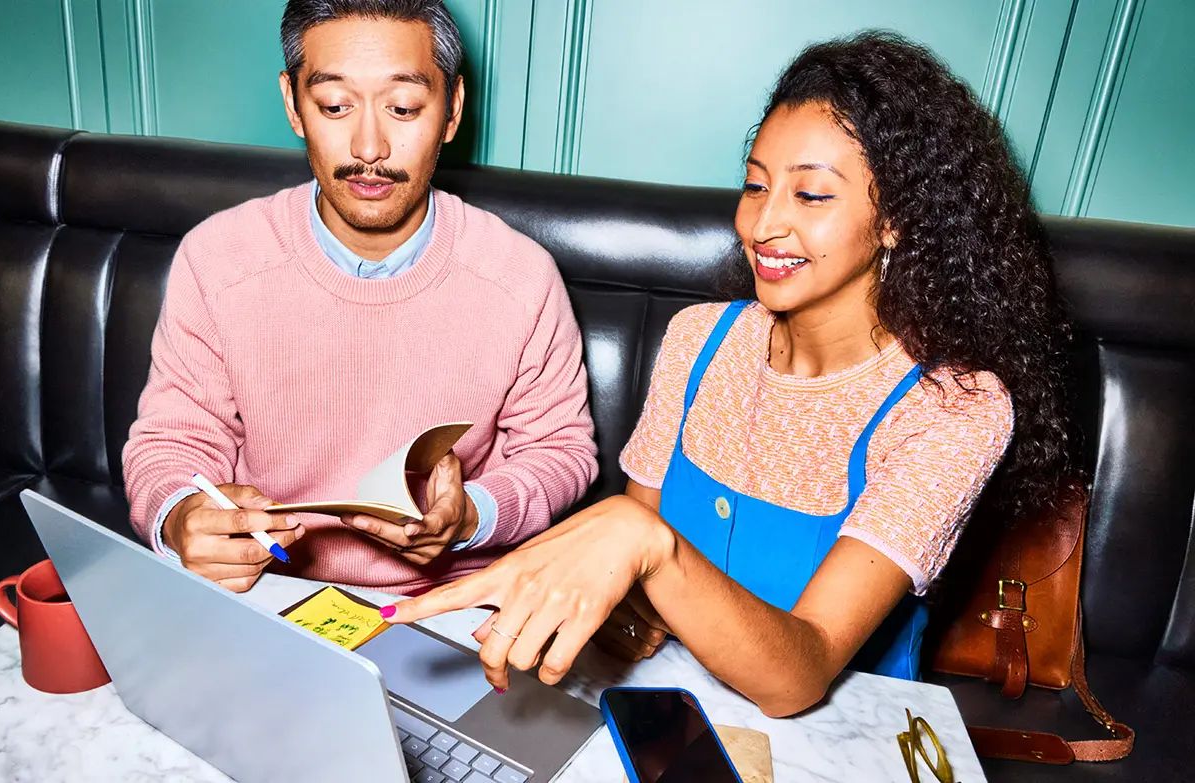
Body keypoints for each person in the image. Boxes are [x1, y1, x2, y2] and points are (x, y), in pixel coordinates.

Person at [381, 31, 1075, 717]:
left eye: (812, 196)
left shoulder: (955, 408)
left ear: (894, 218)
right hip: (663, 711)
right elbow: (633, 578)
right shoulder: (700, 341)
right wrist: (621, 601)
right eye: (755, 184)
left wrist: (644, 545)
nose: (764, 223)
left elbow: (797, 675)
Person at [123, 0, 597, 594]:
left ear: (451, 111)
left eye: (402, 107)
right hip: (269, 589)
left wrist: (473, 514)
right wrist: (181, 517)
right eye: (335, 106)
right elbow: (173, 438)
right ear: (294, 105)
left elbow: (560, 450)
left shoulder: (520, 276)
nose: (368, 146)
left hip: (453, 603)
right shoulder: (218, 258)